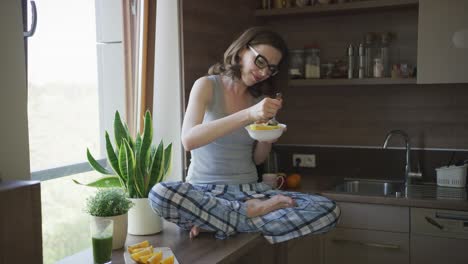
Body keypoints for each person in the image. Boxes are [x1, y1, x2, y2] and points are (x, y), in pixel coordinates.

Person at [149, 27, 340, 244]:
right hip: (204, 192)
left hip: (249, 189)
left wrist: (268, 134)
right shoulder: (207, 85)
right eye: (260, 61)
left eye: (271, 68)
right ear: (241, 51)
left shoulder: (258, 99)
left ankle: (215, 221)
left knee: (327, 210)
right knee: (159, 193)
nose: (264, 71)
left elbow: (258, 159)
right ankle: (242, 214)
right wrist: (248, 114)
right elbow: (189, 140)